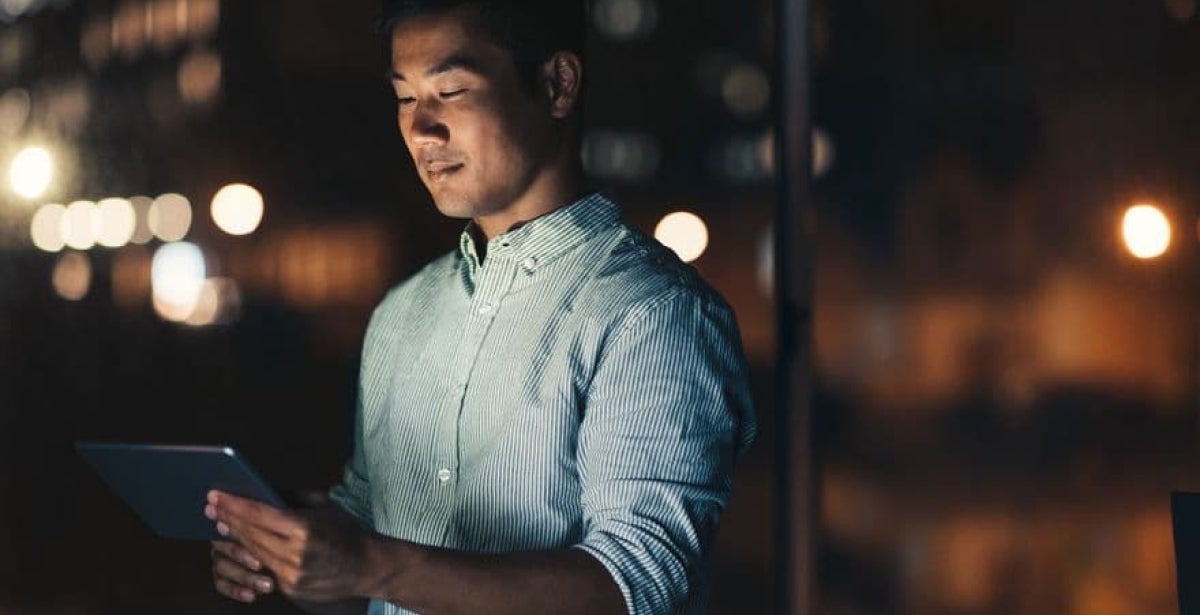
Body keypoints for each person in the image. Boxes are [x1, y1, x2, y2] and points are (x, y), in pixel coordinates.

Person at [204, 1, 756, 614]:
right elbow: (370, 555)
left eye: (451, 89)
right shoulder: (402, 311)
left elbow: (636, 588)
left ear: (557, 85)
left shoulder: (651, 314)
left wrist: (372, 565)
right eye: (405, 98)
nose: (421, 130)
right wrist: (297, 555)